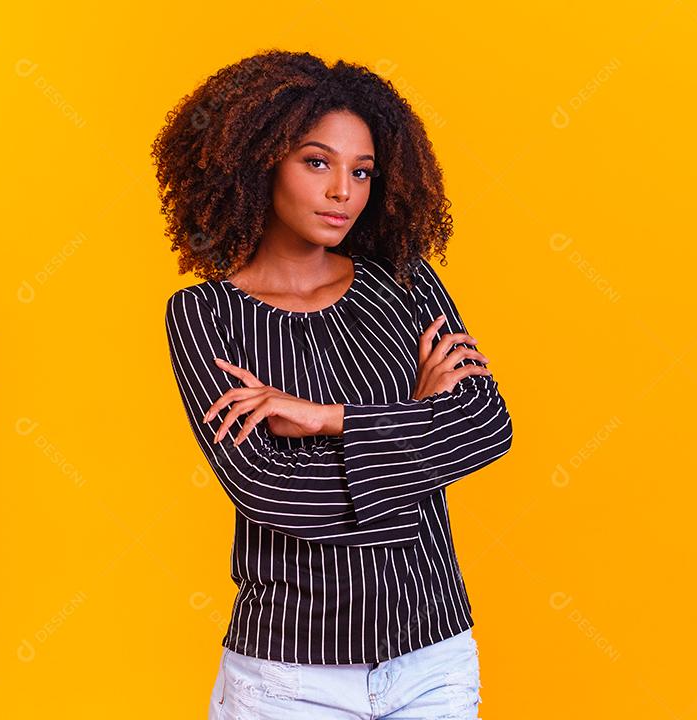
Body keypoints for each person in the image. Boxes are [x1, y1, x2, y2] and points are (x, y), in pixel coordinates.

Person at [154, 49, 514, 719]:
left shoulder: (403, 281)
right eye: (317, 163)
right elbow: (276, 496)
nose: (342, 191)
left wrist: (329, 419)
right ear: (260, 162)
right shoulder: (205, 316)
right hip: (289, 677)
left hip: (431, 661)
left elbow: (487, 427)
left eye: (362, 171)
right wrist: (417, 425)